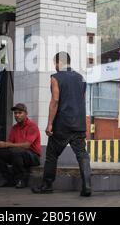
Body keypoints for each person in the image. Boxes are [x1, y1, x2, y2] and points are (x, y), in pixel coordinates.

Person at [32, 52, 92, 196]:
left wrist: (49, 124)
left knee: (52, 155)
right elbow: (81, 100)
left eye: (55, 63)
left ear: (59, 62)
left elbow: (55, 101)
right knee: (82, 154)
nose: (55, 66)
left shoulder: (56, 77)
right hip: (78, 123)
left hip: (62, 124)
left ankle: (46, 185)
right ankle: (87, 187)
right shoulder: (81, 78)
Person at [0, 103, 41, 189]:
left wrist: (7, 144)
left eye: (20, 113)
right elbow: (10, 144)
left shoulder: (32, 126)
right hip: (17, 154)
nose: (17, 115)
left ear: (26, 113)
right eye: (15, 113)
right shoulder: (14, 128)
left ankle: (22, 179)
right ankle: (9, 179)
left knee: (16, 151)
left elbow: (26, 145)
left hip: (33, 157)